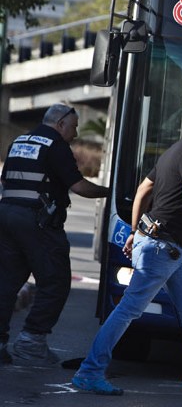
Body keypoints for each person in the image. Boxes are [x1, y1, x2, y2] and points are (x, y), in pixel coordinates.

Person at [72, 106, 182, 399]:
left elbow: (144, 190)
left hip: (167, 248)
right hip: (162, 249)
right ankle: (89, 372)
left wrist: (133, 231)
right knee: (129, 309)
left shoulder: (173, 152)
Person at [0, 104, 108, 366]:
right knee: (56, 281)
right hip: (37, 221)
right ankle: (31, 342)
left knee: (7, 282)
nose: (76, 131)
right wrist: (111, 192)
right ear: (60, 124)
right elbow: (79, 186)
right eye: (73, 126)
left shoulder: (20, 140)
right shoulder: (55, 144)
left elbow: (7, 180)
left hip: (6, 216)